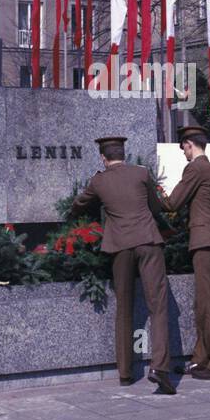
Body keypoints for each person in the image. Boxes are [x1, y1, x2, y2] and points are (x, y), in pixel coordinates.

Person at [71, 136, 175, 391]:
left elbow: (78, 205)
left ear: (103, 158)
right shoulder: (141, 174)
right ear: (124, 154)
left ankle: (125, 373)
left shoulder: (98, 181)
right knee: (158, 307)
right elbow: (156, 207)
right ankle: (159, 367)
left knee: (124, 309)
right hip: (148, 242)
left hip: (119, 247)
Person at [162, 124, 210, 380]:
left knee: (208, 304)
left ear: (190, 145)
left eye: (184, 149)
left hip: (204, 241)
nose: (184, 154)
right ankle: (201, 359)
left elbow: (173, 202)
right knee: (202, 303)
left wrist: (150, 193)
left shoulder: (196, 168)